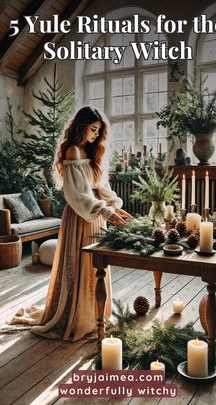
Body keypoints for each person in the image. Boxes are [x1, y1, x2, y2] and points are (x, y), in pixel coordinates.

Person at [10, 106, 132, 341]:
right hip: (80, 216)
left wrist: (115, 205)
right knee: (80, 265)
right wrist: (104, 211)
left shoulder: (90, 150)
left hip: (96, 217)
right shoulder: (73, 151)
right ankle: (77, 316)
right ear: (81, 126)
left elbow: (99, 188)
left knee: (97, 267)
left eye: (99, 131)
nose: (96, 134)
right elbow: (77, 195)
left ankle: (96, 314)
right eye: (93, 129)